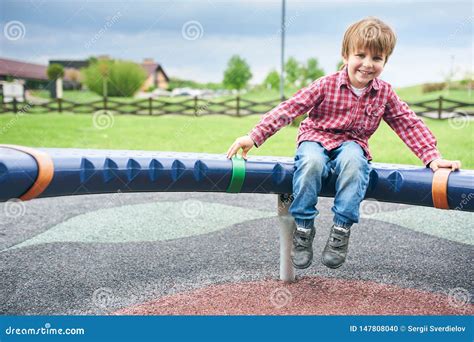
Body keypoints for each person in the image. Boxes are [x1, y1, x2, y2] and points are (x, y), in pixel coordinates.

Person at [226, 17, 461, 270]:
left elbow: (407, 123)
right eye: (360, 55)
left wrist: (432, 156)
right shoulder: (325, 85)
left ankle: (341, 229)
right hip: (316, 138)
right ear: (345, 55)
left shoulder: (385, 93)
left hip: (352, 143)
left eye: (377, 58)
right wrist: (254, 136)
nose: (368, 64)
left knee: (354, 163)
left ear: (385, 61)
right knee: (311, 163)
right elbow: (290, 108)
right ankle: (304, 228)